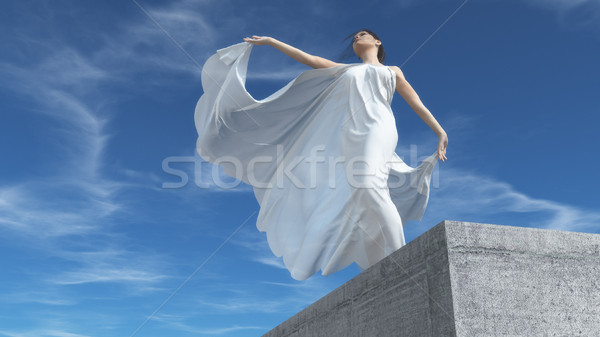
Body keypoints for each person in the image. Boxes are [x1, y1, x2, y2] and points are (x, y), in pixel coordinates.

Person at [194, 30, 447, 280]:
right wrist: (272, 41)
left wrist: (439, 131)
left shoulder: (392, 71)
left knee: (371, 187)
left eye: (362, 34)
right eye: (354, 37)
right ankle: (377, 269)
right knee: (361, 197)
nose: (356, 38)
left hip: (378, 128)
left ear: (377, 41)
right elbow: (309, 59)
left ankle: (402, 258)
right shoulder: (344, 70)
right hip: (351, 134)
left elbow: (416, 103)